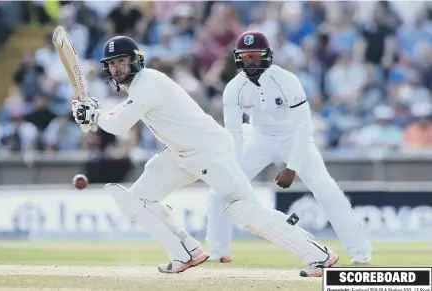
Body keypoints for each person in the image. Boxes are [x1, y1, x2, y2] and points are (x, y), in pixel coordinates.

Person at [71, 35, 338, 277]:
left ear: (136, 61)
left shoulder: (147, 83)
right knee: (138, 199)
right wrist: (94, 113)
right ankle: (185, 251)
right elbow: (118, 114)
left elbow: (117, 125)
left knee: (245, 211)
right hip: (181, 153)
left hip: (208, 152)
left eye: (122, 61)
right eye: (112, 63)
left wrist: (93, 115)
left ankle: (319, 256)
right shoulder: (141, 86)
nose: (117, 68)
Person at [206, 30, 372, 265]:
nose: (250, 61)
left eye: (255, 55)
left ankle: (360, 252)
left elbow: (304, 127)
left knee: (326, 190)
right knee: (219, 190)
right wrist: (232, 168)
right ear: (238, 58)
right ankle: (218, 251)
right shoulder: (234, 88)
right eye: (246, 56)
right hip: (259, 138)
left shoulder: (286, 80)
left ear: (267, 56)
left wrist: (292, 167)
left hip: (293, 138)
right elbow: (234, 133)